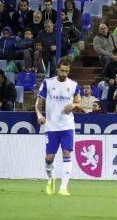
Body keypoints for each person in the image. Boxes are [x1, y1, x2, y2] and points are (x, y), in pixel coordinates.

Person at [35, 58, 82, 197]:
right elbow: (38, 103)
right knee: (49, 158)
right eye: (62, 71)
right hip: (51, 126)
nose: (64, 74)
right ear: (57, 69)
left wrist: (73, 106)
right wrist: (39, 115)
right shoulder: (48, 83)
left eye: (67, 71)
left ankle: (64, 187)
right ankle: (51, 180)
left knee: (67, 153)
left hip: (67, 125)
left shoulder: (73, 85)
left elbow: (79, 104)